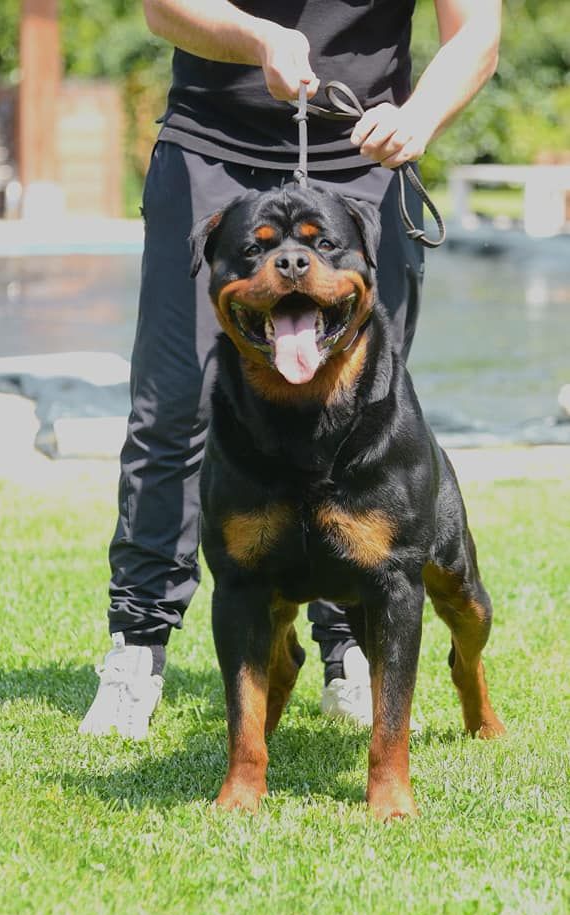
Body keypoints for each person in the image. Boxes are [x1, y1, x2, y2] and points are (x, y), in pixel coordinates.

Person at [79, 0, 502, 740]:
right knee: (173, 405)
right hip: (211, 146)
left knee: (364, 423)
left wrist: (420, 117)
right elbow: (163, 8)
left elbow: (477, 34)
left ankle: (348, 651)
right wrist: (257, 38)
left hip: (366, 153)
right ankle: (137, 649)